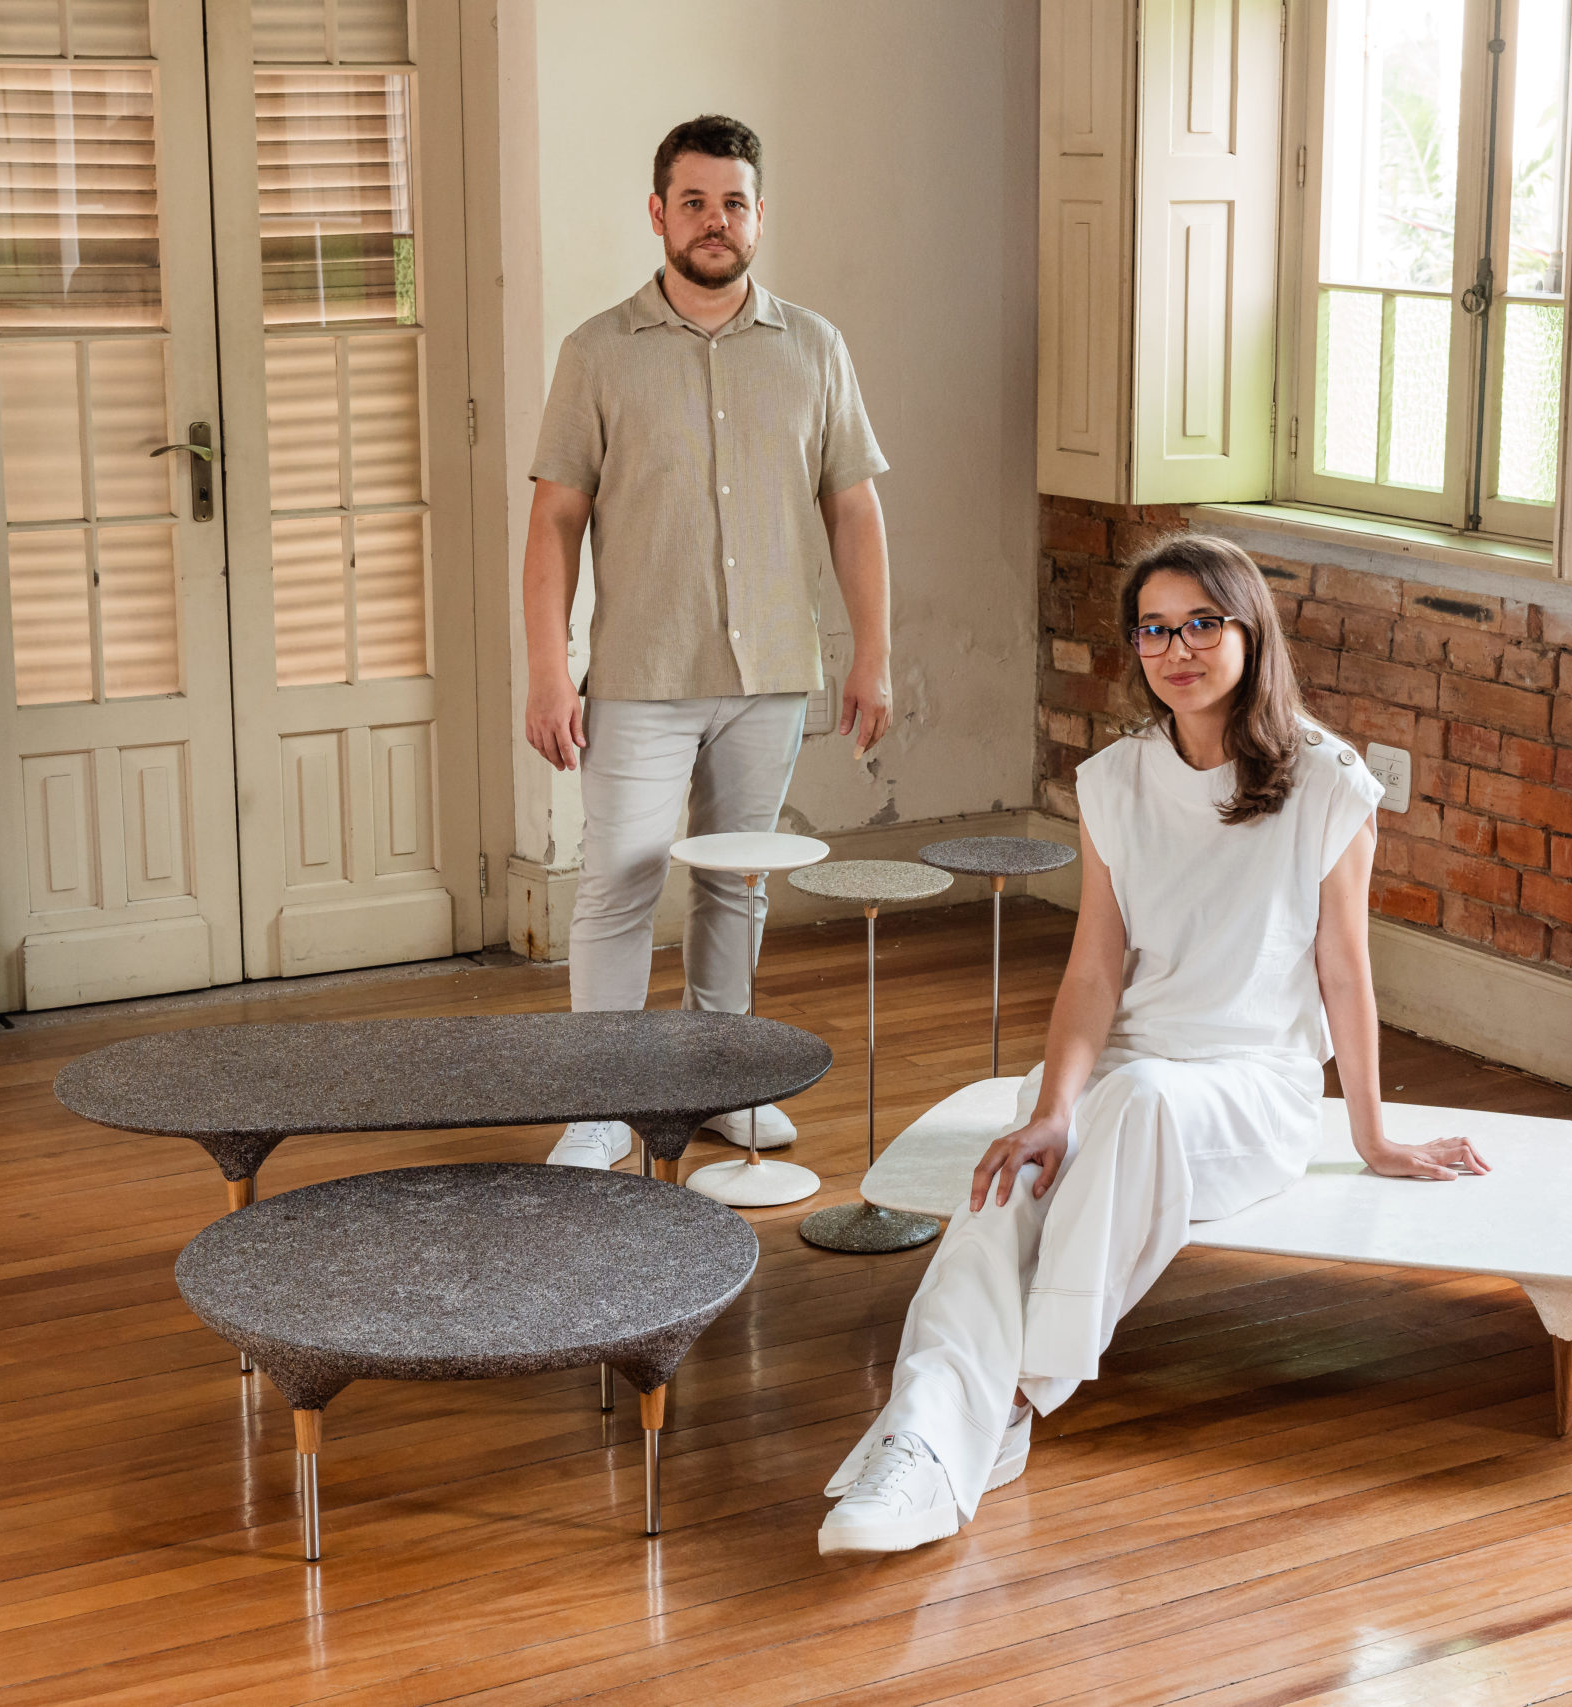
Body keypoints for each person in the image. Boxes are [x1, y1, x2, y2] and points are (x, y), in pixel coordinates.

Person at [818, 534, 1489, 1555]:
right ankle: (925, 1433)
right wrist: (1048, 1106)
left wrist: (1372, 1134)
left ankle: (1007, 1396)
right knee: (1007, 1194)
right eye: (1153, 629)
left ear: (1248, 630)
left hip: (1244, 1090)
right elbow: (1094, 969)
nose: (1176, 649)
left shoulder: (1327, 783)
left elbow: (1344, 971)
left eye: (1201, 623)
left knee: (1128, 1111)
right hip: (1127, 1069)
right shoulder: (1114, 783)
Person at [522, 115, 894, 1168]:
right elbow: (552, 520)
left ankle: (720, 1083)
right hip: (641, 673)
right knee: (619, 881)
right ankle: (602, 1100)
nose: (715, 221)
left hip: (772, 672)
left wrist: (872, 654)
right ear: (657, 214)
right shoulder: (597, 353)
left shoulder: (815, 348)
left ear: (759, 216)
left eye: (734, 202)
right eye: (693, 201)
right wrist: (550, 673)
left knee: (737, 880)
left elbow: (854, 510)